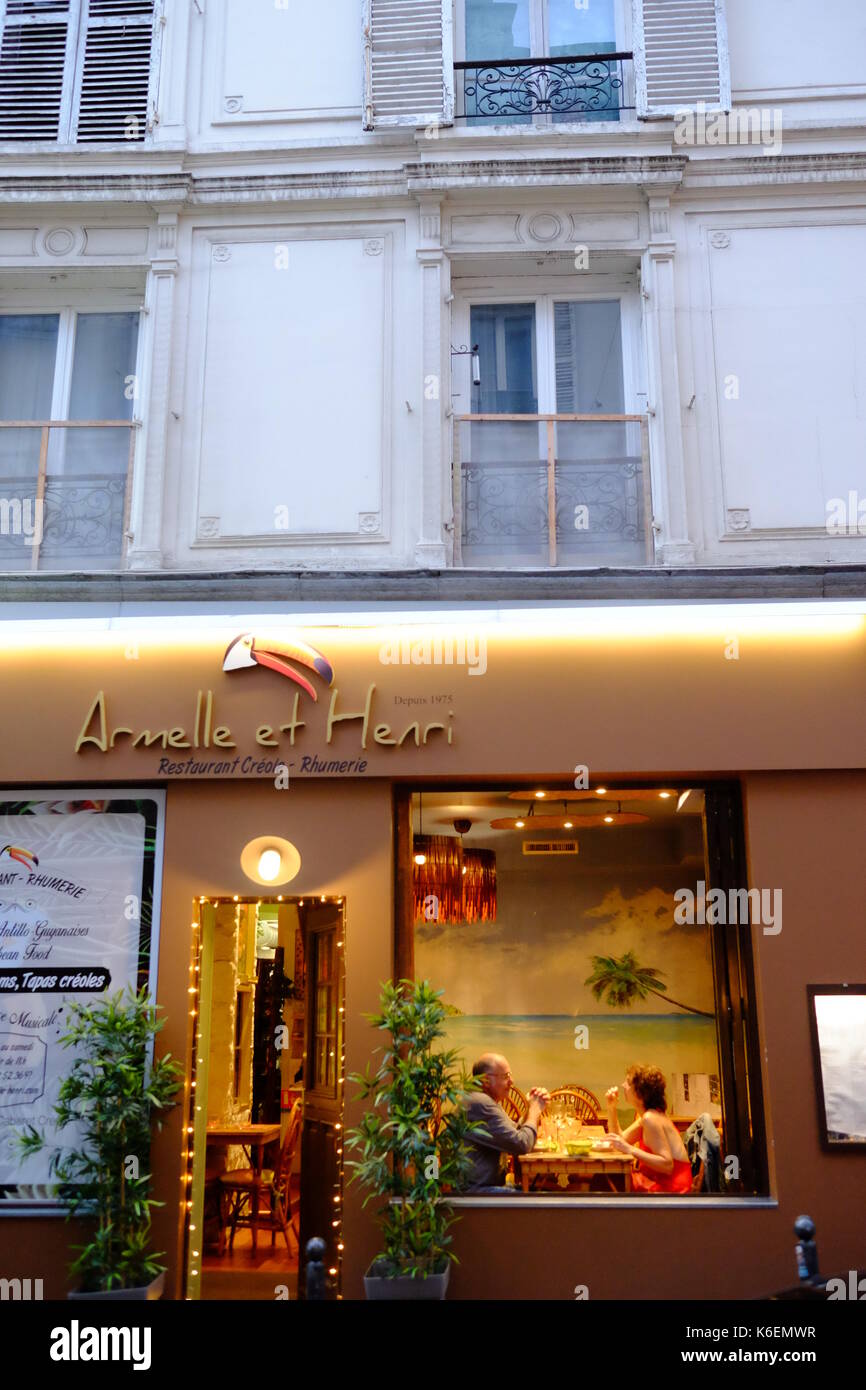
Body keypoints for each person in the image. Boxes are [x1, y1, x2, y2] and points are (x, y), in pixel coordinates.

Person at [462, 1053, 549, 1193]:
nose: (511, 1081)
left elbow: (516, 1134)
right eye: (505, 1076)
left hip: (486, 1187)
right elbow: (522, 1144)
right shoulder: (480, 1104)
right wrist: (535, 1111)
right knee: (545, 1201)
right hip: (476, 1193)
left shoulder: (486, 1100)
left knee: (543, 1192)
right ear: (485, 1080)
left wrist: (529, 1108)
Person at [605, 1064, 693, 1194]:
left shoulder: (650, 1118)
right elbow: (620, 1140)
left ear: (640, 1092)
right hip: (660, 1181)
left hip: (672, 1188)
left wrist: (629, 1149)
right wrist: (611, 1108)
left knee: (604, 1181)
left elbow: (667, 1165)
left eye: (628, 1082)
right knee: (608, 1179)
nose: (623, 1085)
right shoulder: (649, 1116)